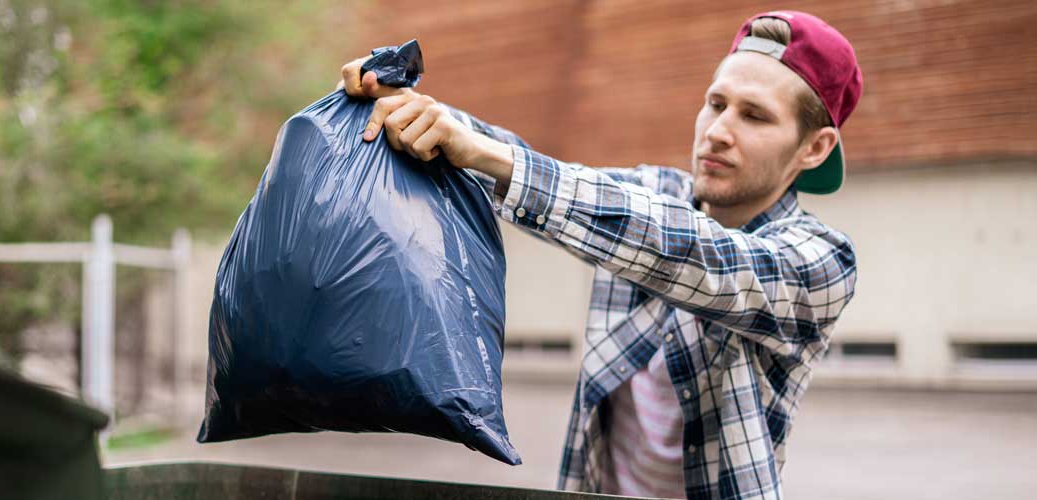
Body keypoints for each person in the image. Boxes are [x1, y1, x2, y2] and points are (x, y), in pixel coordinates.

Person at [339, 10, 863, 500]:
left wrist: (484, 152)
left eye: (754, 117)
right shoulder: (654, 193)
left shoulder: (821, 261)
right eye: (716, 103)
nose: (719, 131)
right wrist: (413, 108)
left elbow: (690, 253)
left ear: (813, 149)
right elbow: (552, 178)